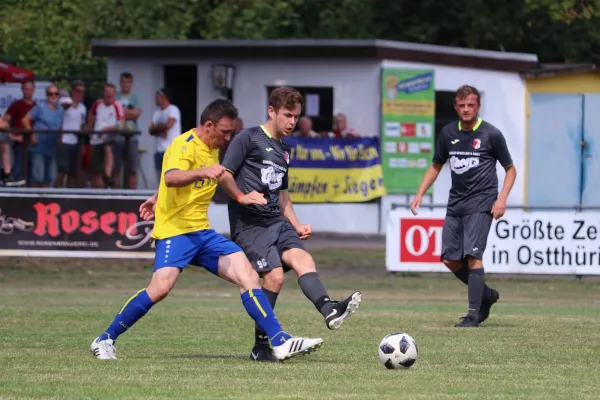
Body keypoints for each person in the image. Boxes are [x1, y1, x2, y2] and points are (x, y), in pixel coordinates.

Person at [90, 99, 323, 361]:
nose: (228, 138)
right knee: (160, 288)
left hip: (202, 233)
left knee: (248, 275)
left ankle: (279, 341)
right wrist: (193, 177)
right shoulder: (183, 144)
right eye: (224, 132)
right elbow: (171, 176)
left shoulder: (212, 147)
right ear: (209, 125)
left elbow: (221, 175)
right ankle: (105, 338)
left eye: (231, 132)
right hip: (175, 232)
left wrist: (240, 197)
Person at [219, 87, 362, 361]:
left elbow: (282, 195)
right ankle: (261, 347)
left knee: (303, 259)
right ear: (271, 111)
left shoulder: (284, 150)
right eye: (287, 115)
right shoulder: (247, 138)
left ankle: (329, 309)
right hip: (250, 226)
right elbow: (224, 174)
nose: (292, 122)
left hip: (276, 221)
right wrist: (240, 195)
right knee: (274, 277)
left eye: (296, 116)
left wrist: (295, 224)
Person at [409, 85, 516, 328]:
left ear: (478, 106)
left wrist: (501, 199)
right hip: (455, 204)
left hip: (482, 203)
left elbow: (511, 170)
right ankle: (486, 294)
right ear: (456, 107)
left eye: (471, 105)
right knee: (449, 259)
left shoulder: (492, 134)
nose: (466, 109)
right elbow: (436, 165)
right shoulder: (447, 133)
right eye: (462, 105)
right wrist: (419, 193)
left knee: (472, 256)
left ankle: (473, 314)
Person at [148, 88, 181, 183]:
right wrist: (161, 129)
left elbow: (169, 125)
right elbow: (150, 130)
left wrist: (158, 129)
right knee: (160, 177)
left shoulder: (173, 109)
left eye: (157, 97)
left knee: (170, 176)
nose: (155, 99)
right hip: (158, 150)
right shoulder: (156, 113)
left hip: (170, 150)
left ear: (164, 97)